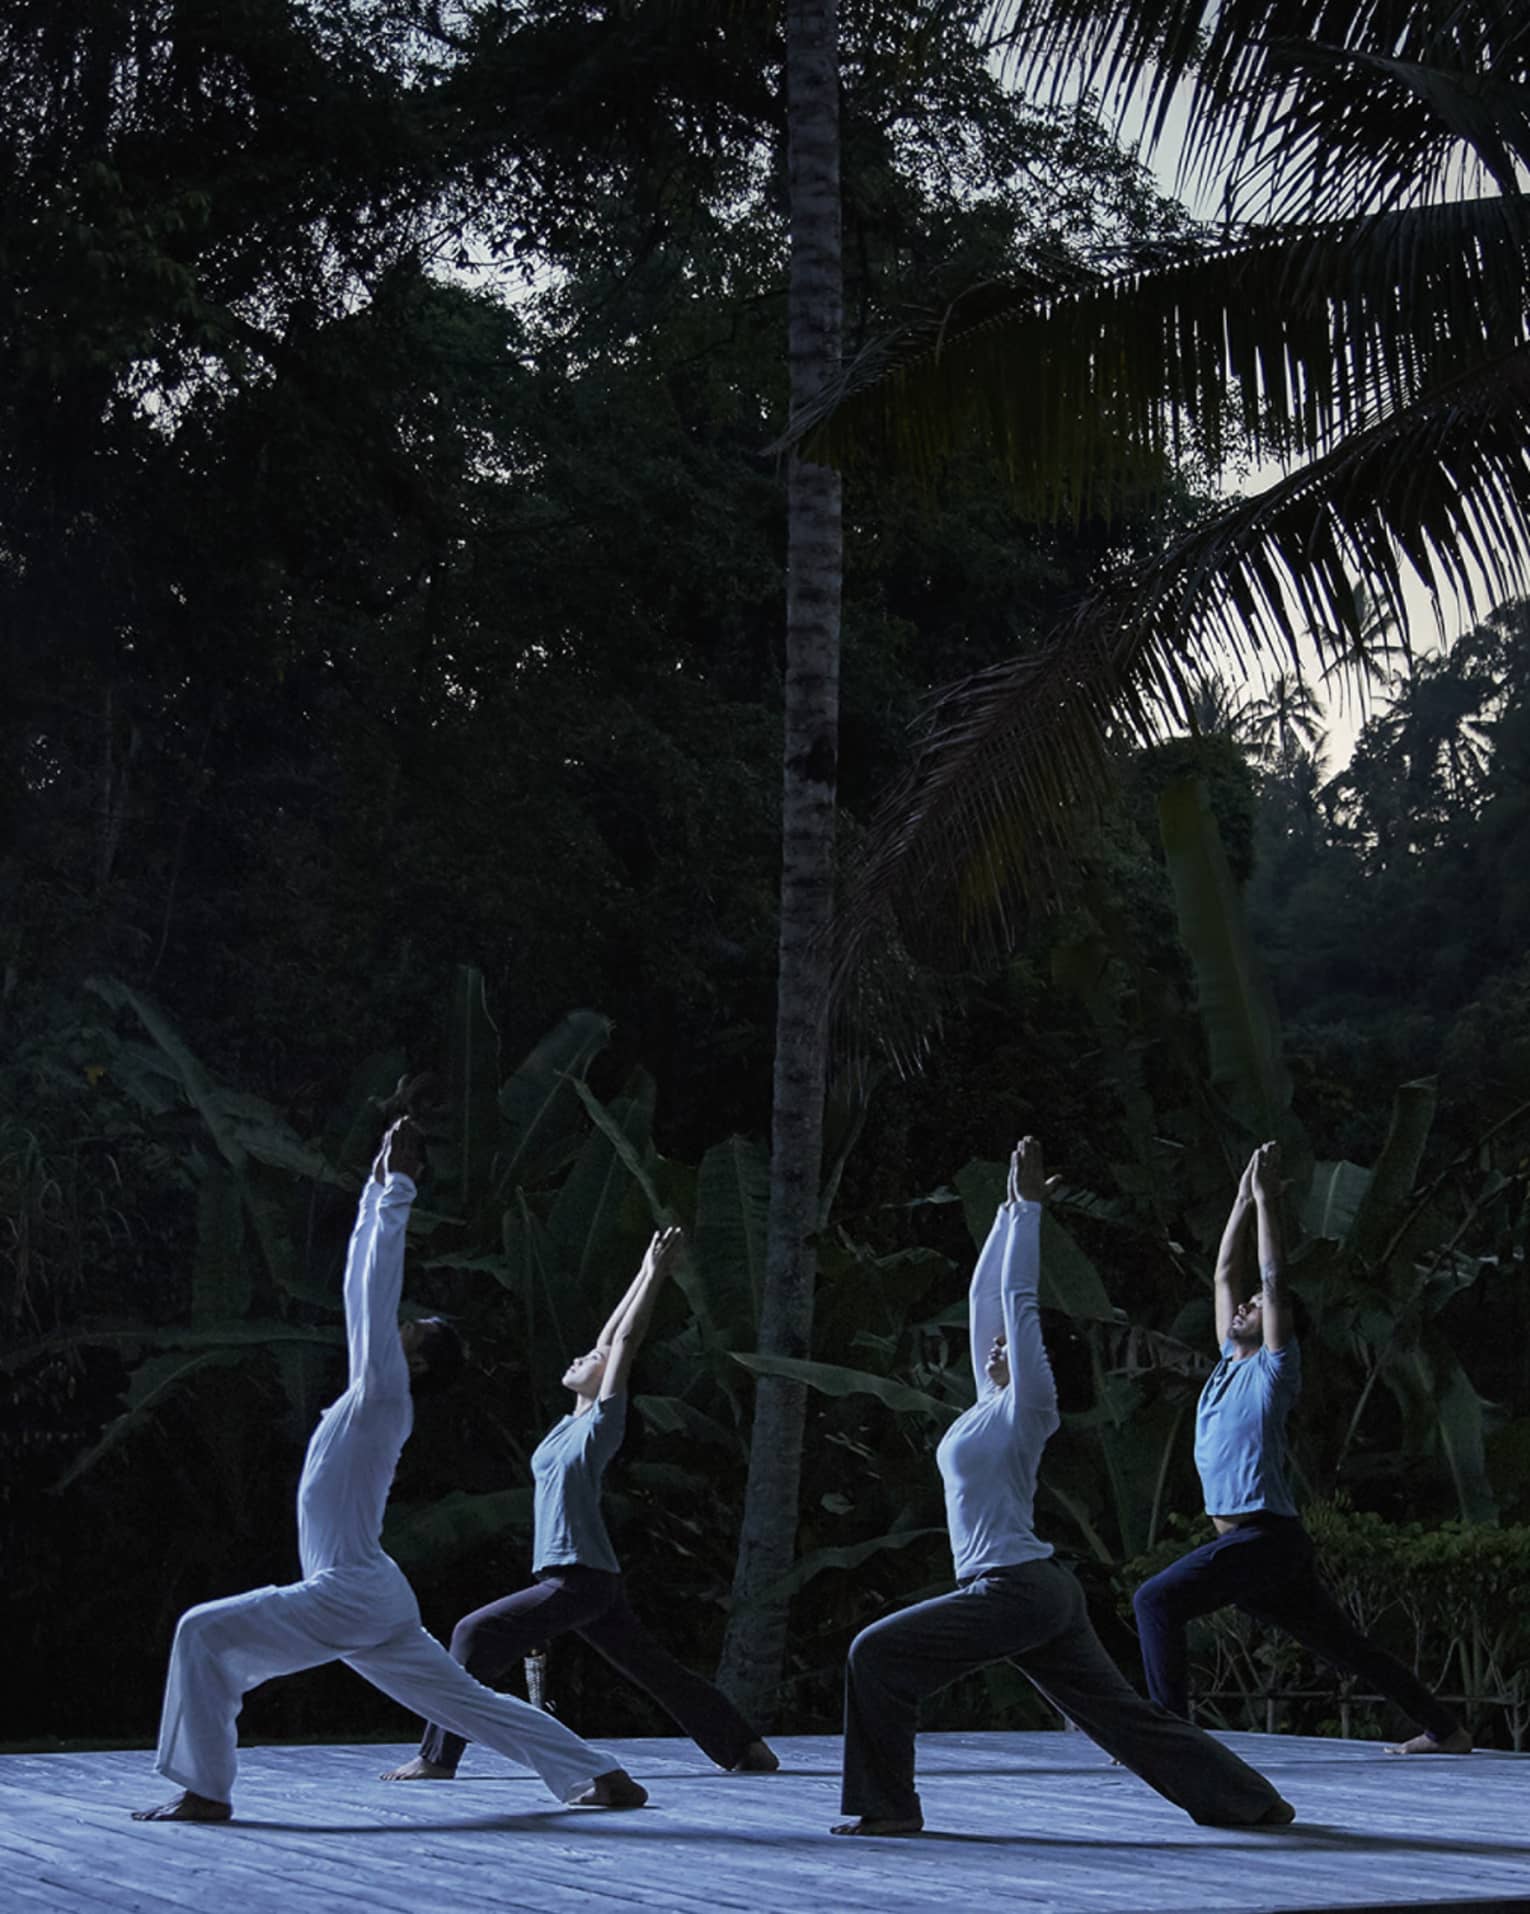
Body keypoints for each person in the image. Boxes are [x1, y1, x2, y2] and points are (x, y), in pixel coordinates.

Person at [132, 1117, 648, 1822]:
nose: (396, 1328)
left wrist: (399, 1188)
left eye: (412, 1332)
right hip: (371, 1596)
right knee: (470, 1705)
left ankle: (204, 1790)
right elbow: (359, 1295)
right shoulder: (369, 1394)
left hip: (349, 1592)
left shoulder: (384, 1396)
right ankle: (603, 1774)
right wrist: (377, 1190)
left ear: (421, 1361)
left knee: (202, 1631)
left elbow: (372, 1294)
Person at [834, 1136, 1296, 1837]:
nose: (993, 1346)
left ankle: (887, 1808)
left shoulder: (1029, 1408)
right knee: (1121, 1717)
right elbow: (983, 1295)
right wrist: (1008, 1209)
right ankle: (1251, 1800)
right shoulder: (986, 1405)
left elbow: (1018, 1298)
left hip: (1013, 1588)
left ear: (1037, 1363)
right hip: (1037, 1591)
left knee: (876, 1655)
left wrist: (1033, 1217)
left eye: (1009, 1347)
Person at [383, 1225, 776, 1783]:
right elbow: (609, 1334)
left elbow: (623, 1342)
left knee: (473, 1635)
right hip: (585, 1578)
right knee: (655, 1670)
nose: (583, 1354)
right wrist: (642, 1269)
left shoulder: (601, 1424)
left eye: (592, 1358)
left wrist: (658, 1276)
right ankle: (745, 1749)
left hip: (578, 1577)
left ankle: (437, 1757)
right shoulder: (566, 1427)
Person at [1132, 1141, 1470, 1756]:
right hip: (1259, 1548)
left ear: (1277, 1325)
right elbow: (1224, 1274)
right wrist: (1239, 1198)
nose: (1245, 1308)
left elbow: (1271, 1277)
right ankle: (1447, 1730)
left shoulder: (1274, 1371)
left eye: (1257, 1309)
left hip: (1261, 1537)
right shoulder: (1226, 1366)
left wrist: (1266, 1205)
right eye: (1246, 1307)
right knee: (1348, 1648)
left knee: (1154, 1600)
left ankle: (1169, 1737)